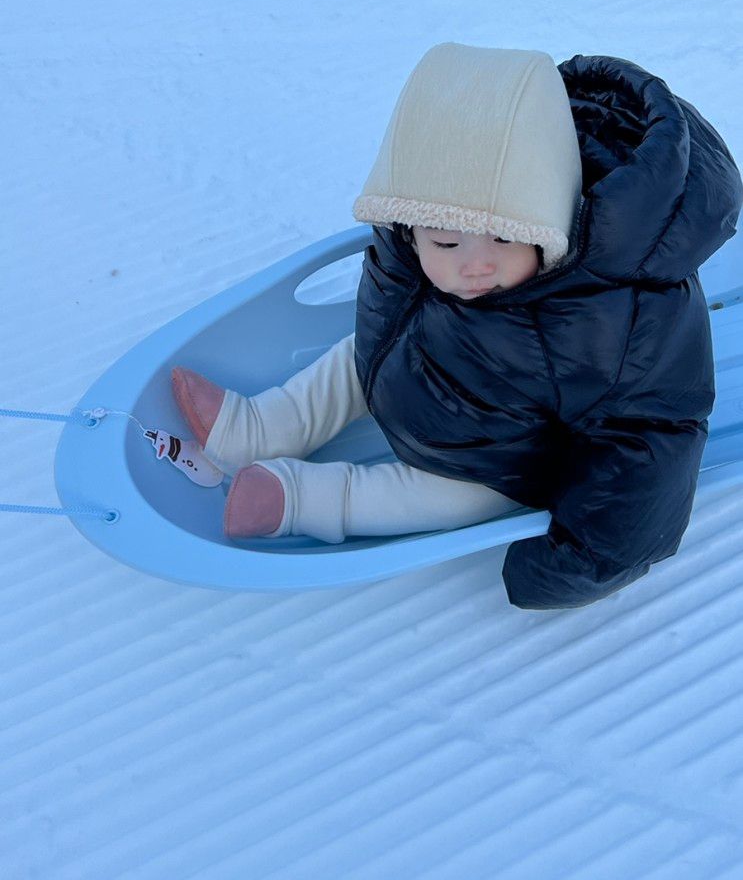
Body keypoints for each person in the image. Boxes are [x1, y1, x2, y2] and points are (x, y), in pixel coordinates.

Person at [172, 42, 743, 610]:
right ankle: (260, 426)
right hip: (418, 366)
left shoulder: (619, 312)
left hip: (501, 459)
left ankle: (302, 501)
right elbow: (385, 318)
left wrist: (582, 563)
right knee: (354, 358)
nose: (474, 264)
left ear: (556, 219)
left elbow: (649, 439)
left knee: (449, 500)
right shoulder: (415, 233)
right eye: (445, 242)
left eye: (504, 238)